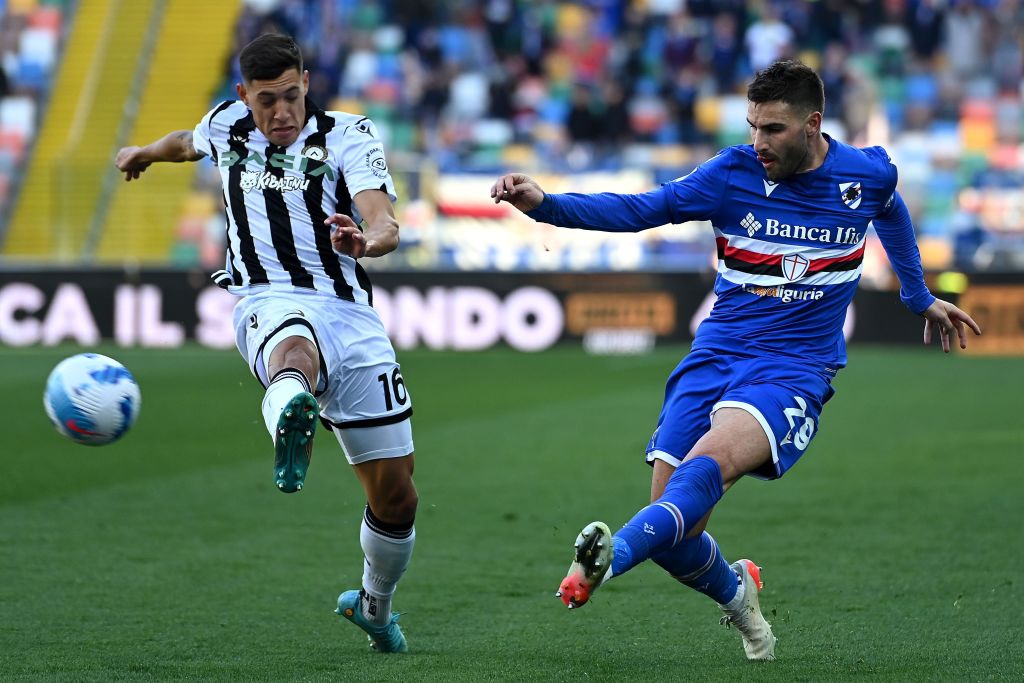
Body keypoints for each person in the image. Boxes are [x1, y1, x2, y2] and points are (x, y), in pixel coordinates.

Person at [490, 60, 981, 661]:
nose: (758, 143)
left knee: (708, 467)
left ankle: (610, 555)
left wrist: (916, 294)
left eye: (772, 129)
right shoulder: (731, 174)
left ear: (813, 124)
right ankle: (739, 595)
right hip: (717, 352)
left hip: (795, 367)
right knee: (673, 529)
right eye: (752, 126)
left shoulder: (866, 174)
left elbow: (893, 212)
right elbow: (646, 208)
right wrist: (546, 205)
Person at [115, 33, 418, 653]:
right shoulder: (226, 124)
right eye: (265, 102)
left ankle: (374, 606)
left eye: (289, 96)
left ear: (306, 81)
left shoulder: (347, 134)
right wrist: (143, 152)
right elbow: (183, 143)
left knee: (397, 494)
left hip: (351, 315)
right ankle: (288, 402)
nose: (280, 113)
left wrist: (367, 240)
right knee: (295, 348)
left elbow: (382, 216)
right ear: (241, 98)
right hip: (266, 299)